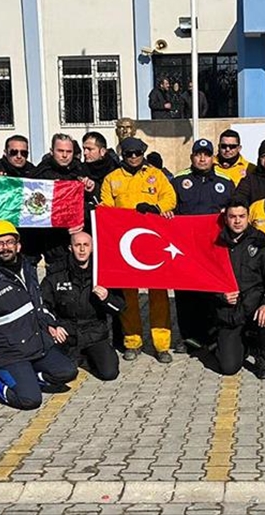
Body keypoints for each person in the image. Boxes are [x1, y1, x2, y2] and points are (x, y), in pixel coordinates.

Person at [0, 221, 79, 409]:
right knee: (30, 401)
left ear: (18, 246)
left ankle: (29, 378)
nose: (5, 248)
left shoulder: (27, 267)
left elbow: (37, 304)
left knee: (68, 373)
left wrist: (49, 324)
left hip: (36, 344)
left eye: (9, 242)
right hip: (9, 352)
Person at [100, 137, 177, 363]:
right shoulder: (112, 179)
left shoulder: (156, 175)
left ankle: (162, 345)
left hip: (152, 244)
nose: (133, 157)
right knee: (128, 297)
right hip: (125, 245)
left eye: (137, 153)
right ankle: (132, 342)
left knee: (159, 295)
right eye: (128, 154)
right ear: (122, 154)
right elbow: (106, 208)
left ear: (143, 153)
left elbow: (170, 197)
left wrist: (156, 208)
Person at [173, 139, 235, 351]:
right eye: (198, 154)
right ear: (192, 157)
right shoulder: (178, 180)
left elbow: (233, 212)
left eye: (206, 154)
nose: (202, 158)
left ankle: (212, 336)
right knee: (186, 295)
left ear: (212, 157)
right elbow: (169, 208)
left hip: (214, 248)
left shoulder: (225, 182)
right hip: (186, 249)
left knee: (213, 294)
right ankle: (189, 338)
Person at [40, 231, 126, 381]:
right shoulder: (57, 274)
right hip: (66, 333)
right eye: (77, 245)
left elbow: (120, 308)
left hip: (94, 332)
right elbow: (42, 305)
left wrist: (106, 298)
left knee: (109, 374)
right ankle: (75, 356)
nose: (81, 249)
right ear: (70, 248)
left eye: (86, 245)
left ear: (92, 248)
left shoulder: (102, 273)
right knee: (64, 372)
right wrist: (52, 326)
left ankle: (90, 356)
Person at [216, 202, 265, 379]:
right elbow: (205, 278)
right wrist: (221, 296)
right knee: (228, 368)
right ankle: (242, 343)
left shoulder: (260, 242)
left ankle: (262, 357)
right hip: (229, 313)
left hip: (255, 307)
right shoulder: (216, 243)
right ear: (226, 218)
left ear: (248, 218)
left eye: (241, 216)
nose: (237, 221)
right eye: (232, 217)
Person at [30, 133, 95, 261]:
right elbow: (35, 212)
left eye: (69, 151)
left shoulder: (81, 170)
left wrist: (90, 190)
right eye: (60, 151)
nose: (65, 155)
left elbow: (90, 204)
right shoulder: (40, 174)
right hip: (54, 242)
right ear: (51, 151)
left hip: (79, 239)